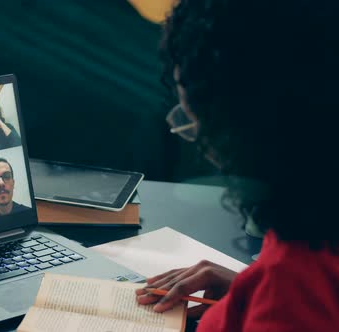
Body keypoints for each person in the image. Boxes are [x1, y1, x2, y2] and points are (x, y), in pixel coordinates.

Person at [135, 1, 339, 331]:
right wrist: (249, 284)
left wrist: (270, 293)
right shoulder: (315, 222)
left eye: (196, 120)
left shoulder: (294, 283)